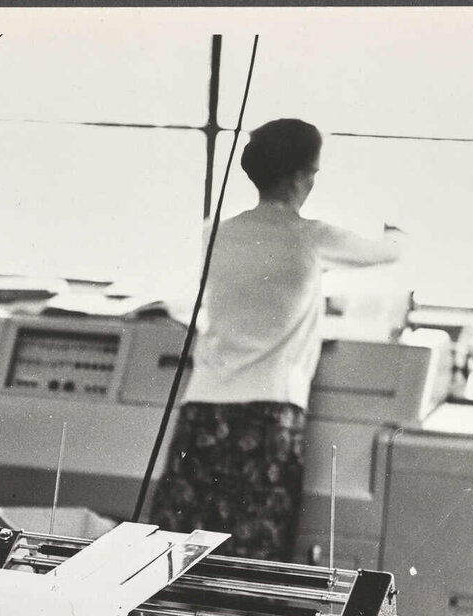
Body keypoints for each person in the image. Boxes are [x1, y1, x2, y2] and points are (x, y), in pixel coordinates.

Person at [147, 118, 403, 561]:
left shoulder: (216, 233)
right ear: (302, 175)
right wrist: (397, 225)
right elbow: (387, 252)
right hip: (269, 415)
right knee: (254, 557)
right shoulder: (310, 235)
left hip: (201, 409)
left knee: (180, 552)